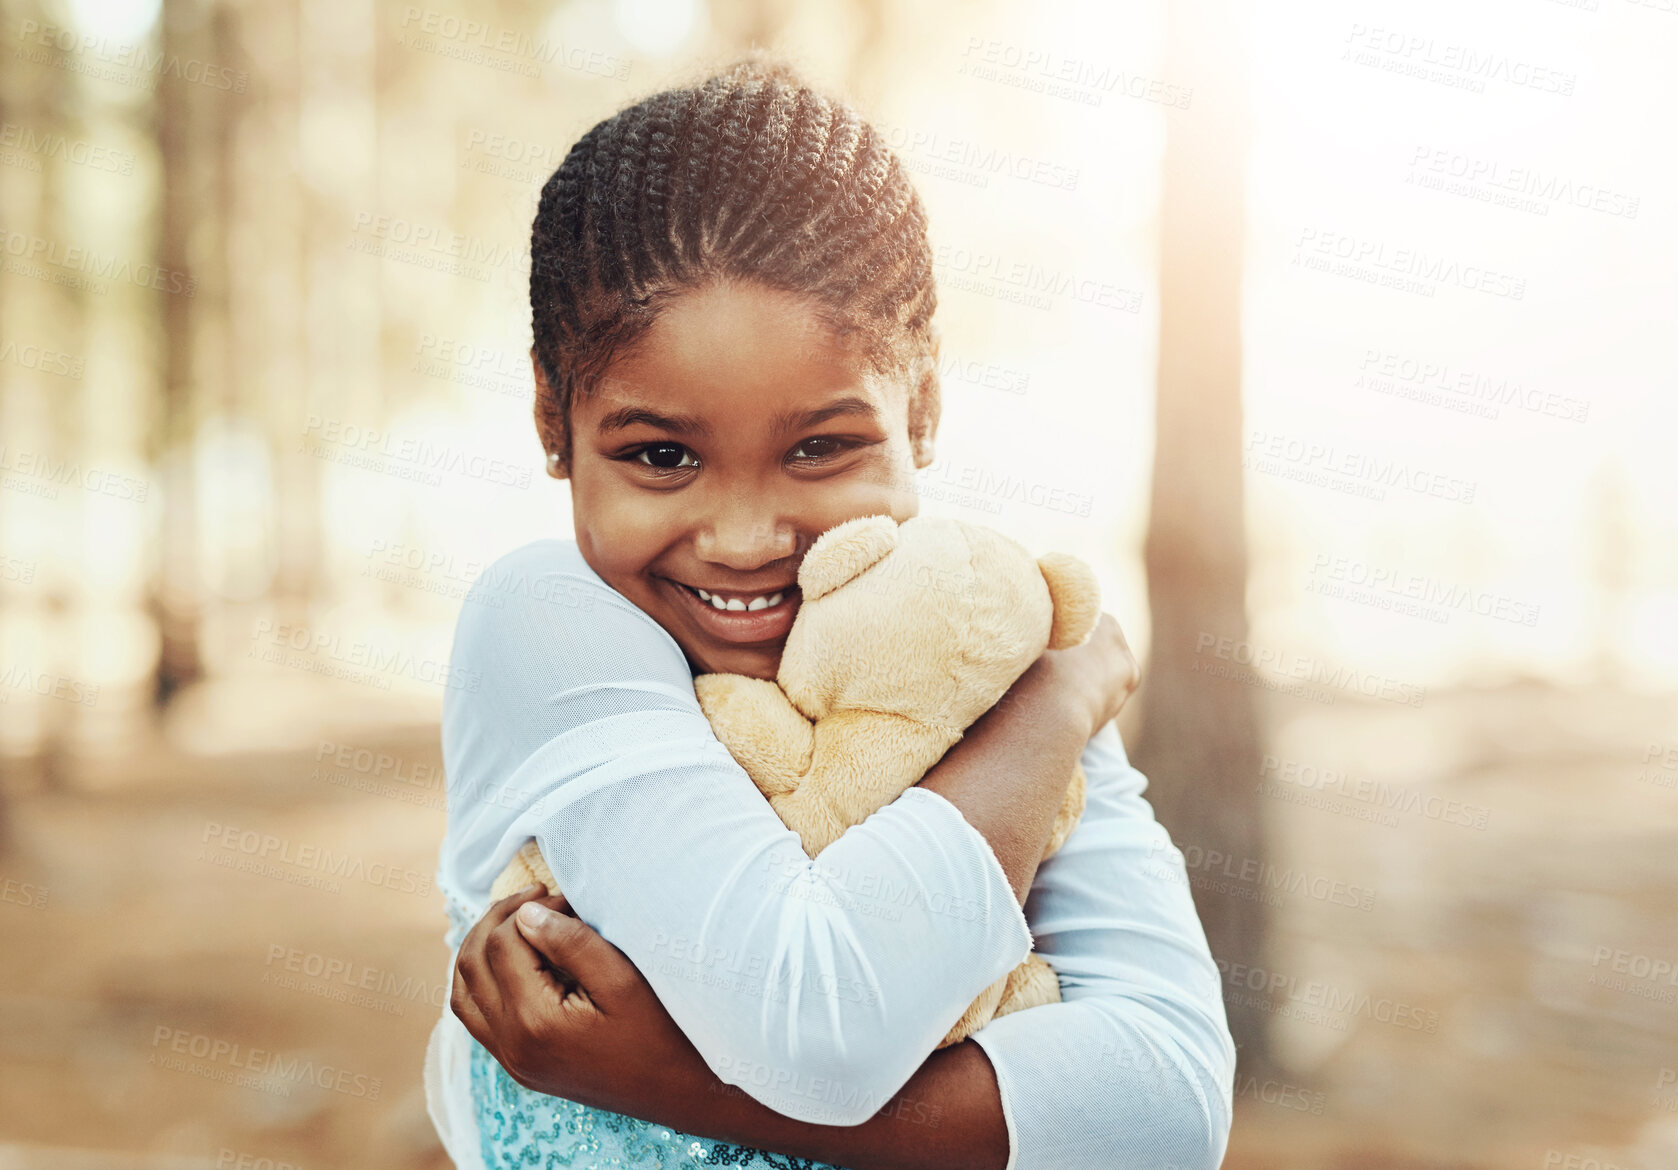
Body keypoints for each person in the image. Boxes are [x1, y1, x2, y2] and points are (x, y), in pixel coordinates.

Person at [427, 50, 1235, 1170]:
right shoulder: (546, 624)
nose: (746, 538)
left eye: (820, 447)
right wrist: (1060, 707)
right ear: (549, 418)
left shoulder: (978, 648)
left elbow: (1167, 1108)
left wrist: (664, 1079)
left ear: (926, 406)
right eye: (662, 455)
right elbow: (818, 1029)